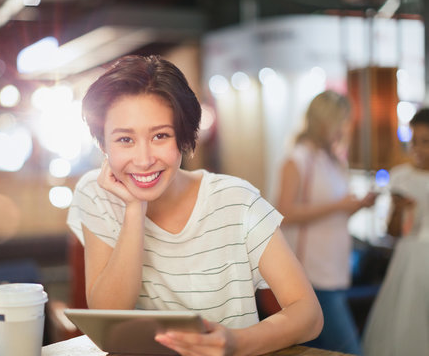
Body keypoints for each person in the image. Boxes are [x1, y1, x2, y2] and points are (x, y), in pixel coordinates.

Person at [67, 55, 323, 356]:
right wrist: (134, 210)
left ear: (184, 138)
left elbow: (309, 314)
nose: (144, 158)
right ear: (103, 145)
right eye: (125, 139)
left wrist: (236, 343)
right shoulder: (95, 194)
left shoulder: (235, 201)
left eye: (160, 135)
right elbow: (108, 314)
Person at [275, 90, 376, 355]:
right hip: (310, 273)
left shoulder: (331, 161)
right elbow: (282, 212)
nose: (344, 129)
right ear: (324, 122)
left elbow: (332, 215)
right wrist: (339, 205)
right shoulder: (297, 159)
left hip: (335, 269)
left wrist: (354, 207)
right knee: (349, 350)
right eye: (341, 121)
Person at [362, 108, 429, 356]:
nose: (418, 149)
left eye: (426, 142)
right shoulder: (401, 177)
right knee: (405, 326)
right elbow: (391, 232)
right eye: (414, 141)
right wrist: (400, 210)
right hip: (408, 261)